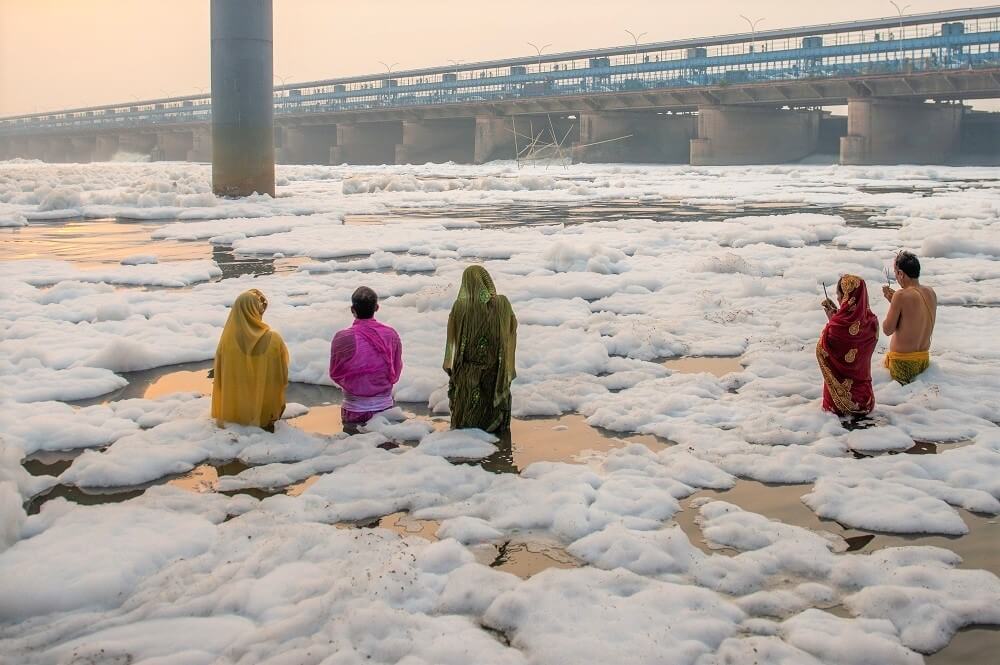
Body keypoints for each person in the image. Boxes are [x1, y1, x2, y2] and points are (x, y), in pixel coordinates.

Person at [443, 266, 518, 432]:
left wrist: (448, 362)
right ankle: (496, 442)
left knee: (467, 414)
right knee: (492, 410)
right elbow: (512, 327)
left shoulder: (460, 306)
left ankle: (469, 446)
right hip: (495, 368)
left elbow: (451, 338)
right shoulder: (503, 303)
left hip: (468, 369)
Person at [212, 289, 289, 431]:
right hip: (265, 414)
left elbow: (220, 381)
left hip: (233, 414)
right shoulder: (274, 340)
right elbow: (282, 377)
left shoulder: (227, 343)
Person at [329, 286, 403, 426]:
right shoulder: (390, 334)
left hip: (354, 410)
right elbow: (395, 368)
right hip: (385, 410)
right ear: (377, 308)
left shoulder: (343, 337)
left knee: (354, 446)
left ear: (352, 309)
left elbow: (335, 373)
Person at [817, 274, 879, 417]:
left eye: (839, 295)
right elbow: (854, 341)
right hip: (866, 401)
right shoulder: (872, 322)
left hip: (838, 406)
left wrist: (830, 323)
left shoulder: (837, 327)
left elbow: (823, 349)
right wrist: (836, 319)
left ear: (846, 297)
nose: (838, 299)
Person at [882, 251, 937, 384]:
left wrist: (893, 304)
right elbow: (916, 318)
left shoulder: (900, 295)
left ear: (901, 273)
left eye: (896, 274)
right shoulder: (931, 292)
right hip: (923, 360)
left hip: (903, 363)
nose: (896, 277)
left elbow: (887, 330)